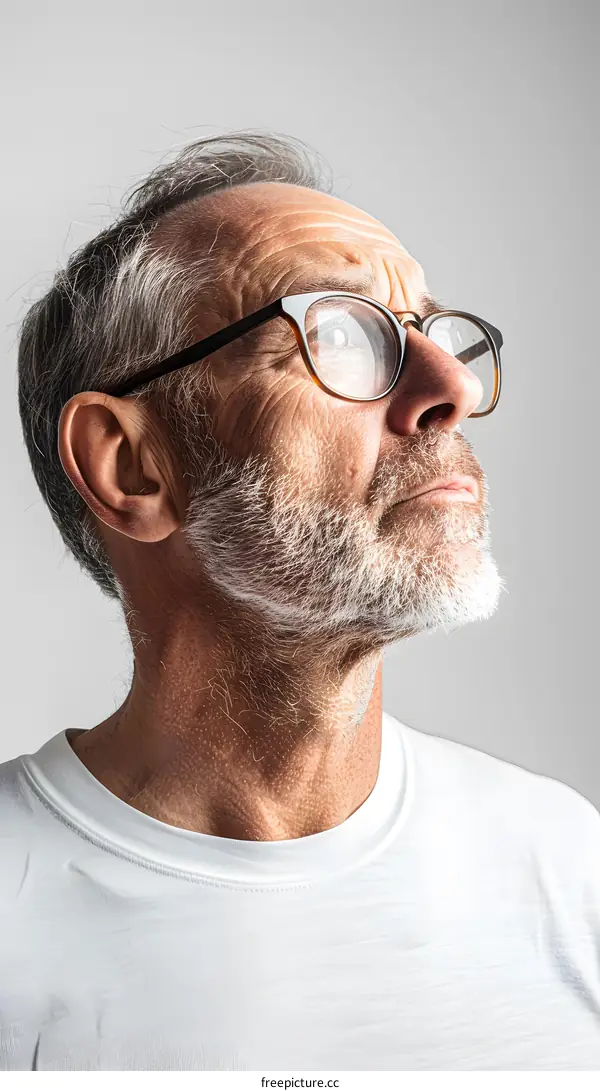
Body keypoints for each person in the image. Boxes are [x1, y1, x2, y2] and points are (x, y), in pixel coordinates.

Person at [3, 131, 599, 1072]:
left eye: (440, 338)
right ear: (132, 466)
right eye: (342, 335)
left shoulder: (566, 866)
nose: (448, 392)